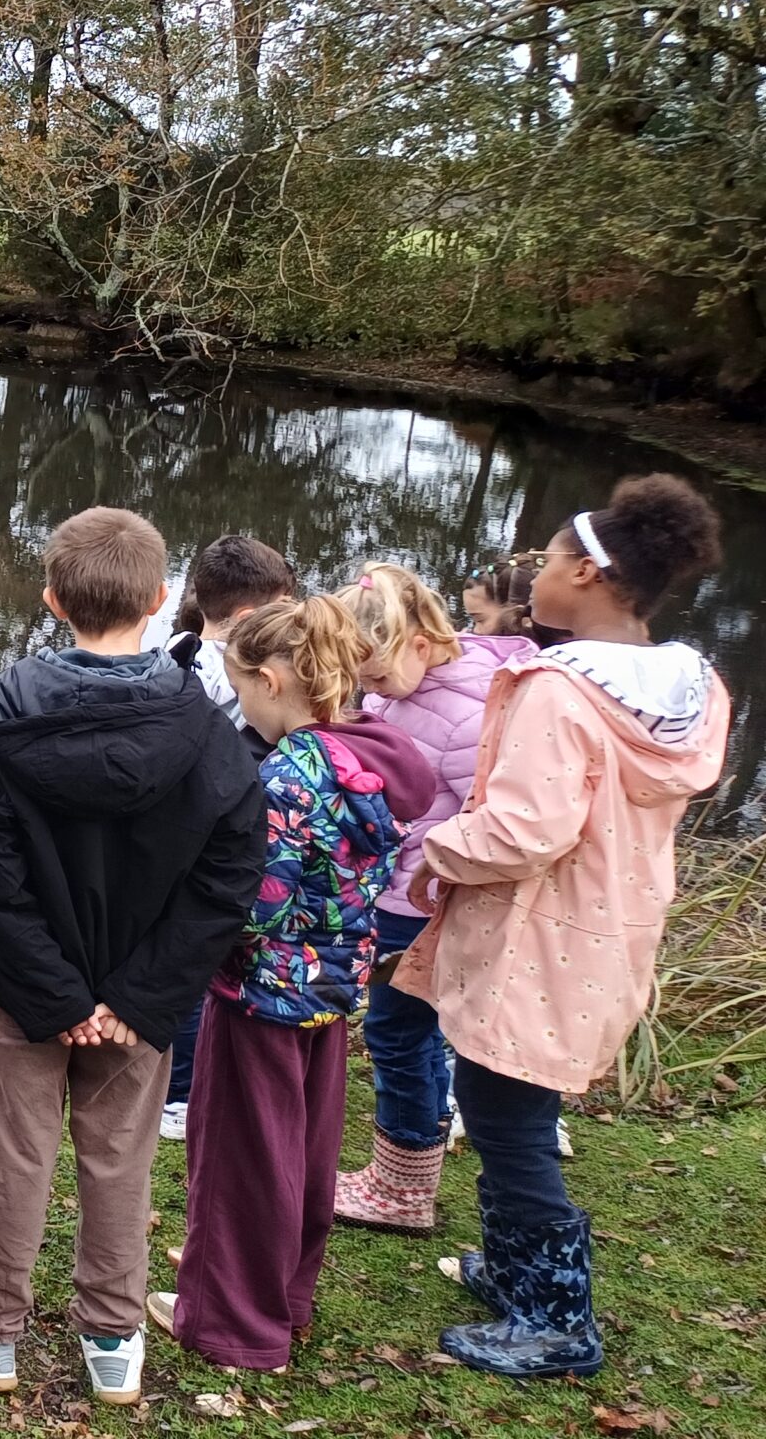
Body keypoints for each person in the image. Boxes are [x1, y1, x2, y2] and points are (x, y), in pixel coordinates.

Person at [0, 508, 264, 1411]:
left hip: (33, 993)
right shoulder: (208, 729)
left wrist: (62, 993)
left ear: (52, 599)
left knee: (19, 1152)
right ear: (158, 600)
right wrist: (139, 999)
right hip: (131, 1000)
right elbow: (227, 882)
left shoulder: (3, 716)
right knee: (120, 1157)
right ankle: (113, 1335)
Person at [398, 475, 729, 1379]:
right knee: (520, 1105)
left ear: (586, 572)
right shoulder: (688, 689)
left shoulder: (561, 691)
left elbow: (523, 829)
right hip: (608, 930)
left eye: (544, 560)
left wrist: (439, 849)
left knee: (506, 1118)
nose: (533, 575)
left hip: (535, 938)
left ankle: (554, 1320)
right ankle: (513, 1271)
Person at [149, 597, 407, 1374]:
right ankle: (286, 1296)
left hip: (261, 994)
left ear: (268, 680)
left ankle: (235, 1325)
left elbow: (254, 905)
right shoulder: (369, 755)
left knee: (243, 1159)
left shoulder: (289, 774)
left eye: (242, 691)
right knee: (306, 1146)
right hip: (331, 991)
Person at [331, 563, 535, 1233]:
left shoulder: (468, 712)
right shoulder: (405, 694)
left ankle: (404, 1185)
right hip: (392, 891)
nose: (375, 692)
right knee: (407, 1030)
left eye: (381, 677)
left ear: (422, 642)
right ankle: (411, 1157)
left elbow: (488, 813)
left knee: (397, 1030)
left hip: (420, 901)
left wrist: (428, 865)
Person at [157, 535, 296, 1142]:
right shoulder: (241, 680)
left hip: (172, 840)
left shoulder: (171, 653)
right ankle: (184, 1093)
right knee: (196, 969)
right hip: (218, 844)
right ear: (247, 619)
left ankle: (180, 1084)